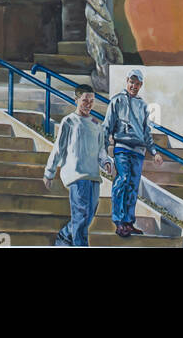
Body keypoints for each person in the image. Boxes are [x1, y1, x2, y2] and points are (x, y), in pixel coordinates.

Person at [43, 83, 113, 247]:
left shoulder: (97, 124)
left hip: (93, 176)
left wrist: (106, 163)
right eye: (85, 101)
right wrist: (49, 172)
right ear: (76, 100)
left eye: (91, 101)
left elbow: (101, 150)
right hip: (76, 175)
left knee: (88, 216)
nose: (88, 104)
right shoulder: (69, 121)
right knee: (81, 215)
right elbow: (58, 149)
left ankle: (64, 236)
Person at [103, 67, 163, 237]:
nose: (134, 86)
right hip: (122, 147)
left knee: (133, 186)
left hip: (139, 151)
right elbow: (106, 126)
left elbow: (146, 132)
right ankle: (119, 221)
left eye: (137, 84)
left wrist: (154, 152)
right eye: (131, 82)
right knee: (122, 180)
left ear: (140, 85)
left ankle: (129, 222)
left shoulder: (143, 105)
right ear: (127, 81)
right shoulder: (116, 101)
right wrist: (103, 152)